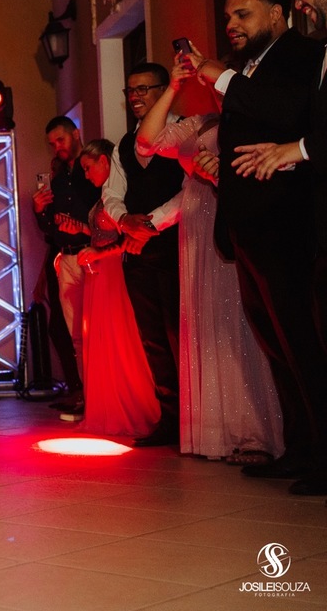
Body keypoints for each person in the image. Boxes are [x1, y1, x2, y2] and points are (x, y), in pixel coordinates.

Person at [136, 59, 283, 463]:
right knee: (208, 325)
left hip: (228, 218)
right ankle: (216, 430)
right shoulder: (199, 123)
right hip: (196, 227)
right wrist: (173, 86)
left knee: (238, 326)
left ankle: (256, 432)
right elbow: (146, 142)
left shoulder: (254, 122)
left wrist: (219, 176)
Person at [226, 0, 327, 496]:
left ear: (276, 11)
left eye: (242, 14)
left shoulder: (303, 54)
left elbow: (288, 116)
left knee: (304, 344)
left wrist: (222, 80)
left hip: (287, 222)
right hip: (250, 225)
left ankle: (323, 454)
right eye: (228, 17)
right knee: (276, 344)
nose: (232, 25)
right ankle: (301, 448)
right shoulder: (249, 66)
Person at [101, 63, 185, 447]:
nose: (134, 97)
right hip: (136, 254)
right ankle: (169, 418)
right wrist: (124, 221)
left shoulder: (187, 131)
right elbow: (111, 193)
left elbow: (191, 192)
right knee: (152, 339)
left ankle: (195, 420)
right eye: (130, 91)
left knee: (180, 334)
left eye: (142, 89)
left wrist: (150, 224)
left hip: (176, 247)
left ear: (164, 90)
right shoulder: (123, 145)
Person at [73, 139, 161, 438]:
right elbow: (101, 233)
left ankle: (135, 406)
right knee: (102, 341)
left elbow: (126, 239)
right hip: (99, 274)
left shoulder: (120, 198)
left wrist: (98, 253)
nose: (86, 175)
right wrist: (85, 237)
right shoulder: (105, 197)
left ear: (104, 161)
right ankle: (108, 406)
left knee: (121, 339)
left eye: (88, 168)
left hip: (114, 273)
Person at [32, 116, 98, 420]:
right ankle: (82, 392)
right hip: (66, 258)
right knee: (72, 333)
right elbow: (50, 230)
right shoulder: (57, 180)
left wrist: (82, 228)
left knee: (96, 330)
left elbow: (105, 215)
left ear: (76, 134)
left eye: (60, 140)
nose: (57, 147)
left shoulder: (92, 169)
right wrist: (39, 210)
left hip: (93, 255)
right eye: (52, 143)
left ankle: (98, 395)